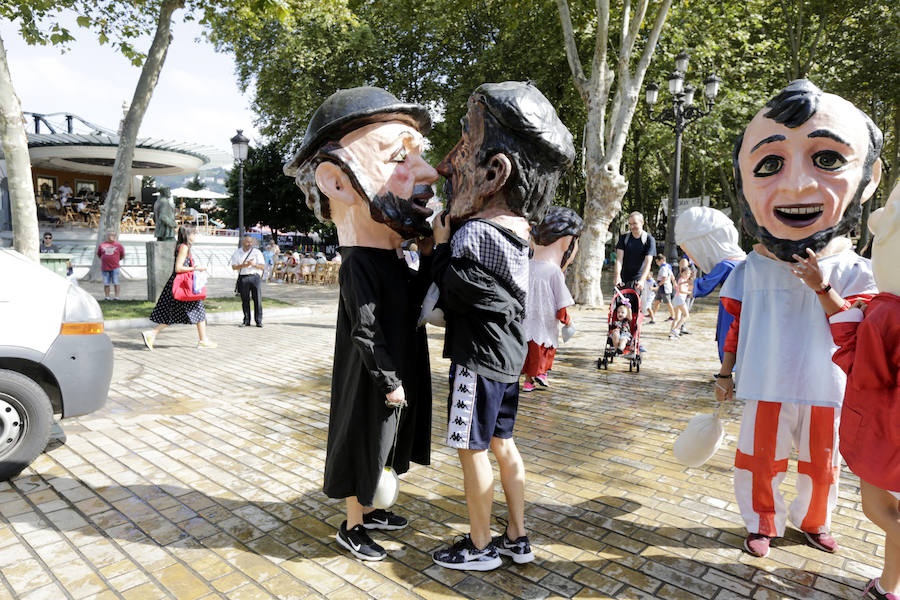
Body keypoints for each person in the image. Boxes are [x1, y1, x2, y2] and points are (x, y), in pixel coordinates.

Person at [716, 80, 882, 558]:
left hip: (825, 385)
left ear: (867, 178)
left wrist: (820, 285)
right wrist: (724, 375)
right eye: (768, 165)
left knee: (821, 461)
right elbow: (734, 325)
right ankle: (760, 521)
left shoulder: (855, 270)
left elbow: (860, 331)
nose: (795, 185)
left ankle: (815, 521)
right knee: (758, 458)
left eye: (827, 159)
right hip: (766, 380)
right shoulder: (751, 269)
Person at [284, 86, 436, 562]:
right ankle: (354, 525)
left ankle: (372, 510)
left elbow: (417, 301)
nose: (426, 175)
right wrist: (389, 379)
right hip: (376, 373)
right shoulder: (358, 263)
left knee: (388, 440)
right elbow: (365, 331)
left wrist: (432, 249)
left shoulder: (392, 256)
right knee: (366, 439)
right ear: (336, 181)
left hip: (397, 364)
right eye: (399, 159)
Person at [431, 81, 575, 570]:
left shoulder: (473, 233)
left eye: (463, 147)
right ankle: (518, 535)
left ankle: (478, 545)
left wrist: (440, 246)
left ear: (494, 172)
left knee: (470, 451)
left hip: (477, 360)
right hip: (508, 363)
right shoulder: (521, 234)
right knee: (503, 444)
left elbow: (453, 291)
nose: (447, 164)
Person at [821, 182, 899, 600]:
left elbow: (859, 362)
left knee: (881, 511)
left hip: (886, 435)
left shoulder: (889, 311)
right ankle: (889, 585)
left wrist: (823, 291)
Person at [521, 206, 583, 393]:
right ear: (567, 241)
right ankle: (537, 375)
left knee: (530, 349)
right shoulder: (554, 271)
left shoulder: (526, 265)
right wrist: (567, 320)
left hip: (526, 320)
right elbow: (561, 302)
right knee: (543, 348)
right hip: (545, 320)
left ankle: (530, 378)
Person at [675, 206, 747, 362]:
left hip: (731, 306)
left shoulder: (726, 264)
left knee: (728, 336)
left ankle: (729, 369)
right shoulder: (742, 260)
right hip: (737, 304)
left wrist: (690, 285)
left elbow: (705, 285)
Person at [141, 225, 217, 350]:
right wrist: (196, 268)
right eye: (194, 233)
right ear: (188, 235)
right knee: (199, 311)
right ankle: (203, 341)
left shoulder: (183, 247)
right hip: (183, 287)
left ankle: (152, 333)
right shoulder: (184, 247)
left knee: (173, 314)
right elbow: (178, 268)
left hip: (179, 286)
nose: (195, 236)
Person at [614, 211, 656, 292]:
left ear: (642, 222)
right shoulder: (623, 238)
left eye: (635, 223)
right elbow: (619, 259)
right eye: (630, 224)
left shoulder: (649, 239)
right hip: (623, 280)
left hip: (638, 281)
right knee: (620, 304)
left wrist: (642, 280)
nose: (632, 226)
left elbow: (648, 263)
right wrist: (617, 276)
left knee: (637, 304)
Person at [231, 235, 265, 327]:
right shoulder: (237, 253)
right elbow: (234, 267)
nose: (249, 244)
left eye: (251, 242)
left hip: (255, 277)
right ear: (243, 242)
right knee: (245, 300)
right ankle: (246, 320)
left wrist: (253, 265)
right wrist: (243, 265)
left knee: (257, 299)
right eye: (247, 242)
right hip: (243, 278)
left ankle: (258, 321)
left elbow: (262, 266)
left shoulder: (257, 252)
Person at [97, 230, 126, 300]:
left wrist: (115, 260)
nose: (111, 237)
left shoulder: (119, 245)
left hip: (115, 267)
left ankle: (117, 296)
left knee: (116, 282)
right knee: (106, 283)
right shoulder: (102, 245)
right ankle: (107, 297)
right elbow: (99, 254)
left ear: (115, 236)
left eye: (113, 235)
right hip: (105, 267)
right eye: (110, 235)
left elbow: (122, 255)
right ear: (107, 236)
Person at [669, 257, 693, 338]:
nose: (687, 275)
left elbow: (685, 287)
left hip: (677, 299)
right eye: (685, 273)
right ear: (682, 273)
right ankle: (675, 330)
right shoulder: (682, 280)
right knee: (686, 315)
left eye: (688, 274)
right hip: (679, 299)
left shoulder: (683, 280)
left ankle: (671, 334)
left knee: (677, 318)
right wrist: (690, 293)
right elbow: (682, 291)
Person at [651, 254, 675, 322]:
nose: (657, 263)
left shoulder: (664, 268)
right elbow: (672, 276)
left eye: (657, 262)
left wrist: (658, 285)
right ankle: (653, 313)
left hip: (664, 286)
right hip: (663, 286)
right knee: (657, 301)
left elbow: (664, 278)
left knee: (668, 302)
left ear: (661, 260)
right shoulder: (668, 266)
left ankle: (672, 316)